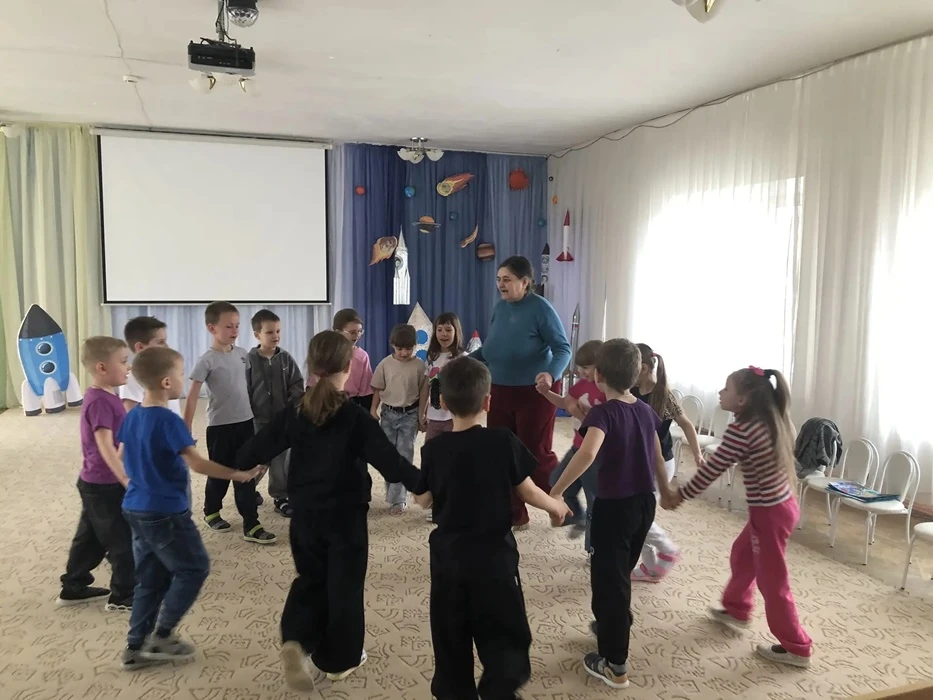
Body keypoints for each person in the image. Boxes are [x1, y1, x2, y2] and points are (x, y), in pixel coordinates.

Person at [236, 331, 424, 691]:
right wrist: (424, 487)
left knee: (311, 579)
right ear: (348, 366)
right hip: (345, 518)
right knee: (344, 587)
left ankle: (296, 639)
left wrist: (245, 464)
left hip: (305, 516)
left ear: (311, 366)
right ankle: (339, 660)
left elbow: (254, 449)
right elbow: (390, 461)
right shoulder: (355, 417)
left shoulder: (296, 411)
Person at [411, 357, 571, 700]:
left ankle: (454, 692)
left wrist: (423, 486)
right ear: (488, 402)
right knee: (505, 633)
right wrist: (556, 506)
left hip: (449, 562)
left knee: (449, 635)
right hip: (494, 562)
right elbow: (528, 491)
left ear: (442, 402)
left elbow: (422, 500)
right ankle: (499, 688)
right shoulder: (503, 440)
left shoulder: (434, 449)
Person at [119, 346, 265, 670]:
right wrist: (238, 474)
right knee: (194, 568)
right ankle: (162, 635)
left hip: (135, 508)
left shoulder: (132, 416)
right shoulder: (169, 421)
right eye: (181, 373)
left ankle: (134, 646)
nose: (184, 378)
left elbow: (121, 457)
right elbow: (197, 464)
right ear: (166, 382)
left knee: (150, 578)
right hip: (166, 512)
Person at [667, 366, 813, 669]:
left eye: (726, 389)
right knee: (743, 553)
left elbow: (712, 469)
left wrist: (680, 495)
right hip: (778, 507)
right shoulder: (771, 419)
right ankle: (737, 608)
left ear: (743, 399)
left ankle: (797, 646)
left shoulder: (743, 430)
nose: (720, 393)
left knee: (773, 581)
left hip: (770, 514)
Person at [550, 339, 673, 689]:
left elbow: (587, 455)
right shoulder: (645, 410)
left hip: (614, 508)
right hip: (643, 505)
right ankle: (612, 625)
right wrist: (665, 491)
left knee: (610, 582)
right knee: (619, 575)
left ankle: (615, 663)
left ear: (598, 375)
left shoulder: (603, 414)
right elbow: (657, 455)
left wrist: (556, 491)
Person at [472, 256, 571, 529]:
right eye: (498, 279)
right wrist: (465, 361)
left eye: (507, 279)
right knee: (501, 453)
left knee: (534, 453)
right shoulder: (500, 308)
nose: (500, 284)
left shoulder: (541, 308)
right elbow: (491, 349)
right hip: (499, 390)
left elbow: (563, 348)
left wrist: (550, 374)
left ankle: (560, 505)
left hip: (535, 392)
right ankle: (515, 514)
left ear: (525, 282)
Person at [184, 301, 275, 543]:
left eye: (237, 325)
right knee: (221, 472)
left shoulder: (243, 354)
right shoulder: (206, 360)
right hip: (220, 427)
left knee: (245, 472)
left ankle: (251, 523)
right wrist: (186, 428)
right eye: (228, 326)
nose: (234, 330)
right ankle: (211, 511)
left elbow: (247, 387)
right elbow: (192, 396)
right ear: (211, 328)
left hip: (246, 423)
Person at [57, 336, 135, 613]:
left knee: (89, 537)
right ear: (102, 367)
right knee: (122, 541)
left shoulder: (108, 395)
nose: (128, 366)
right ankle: (123, 596)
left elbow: (117, 440)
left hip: (95, 482)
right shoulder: (100, 401)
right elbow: (105, 447)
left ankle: (74, 586)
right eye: (123, 361)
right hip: (104, 484)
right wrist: (125, 480)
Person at [630, 343, 706, 583]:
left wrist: (697, 454)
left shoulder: (663, 395)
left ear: (643, 368)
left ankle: (667, 549)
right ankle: (650, 566)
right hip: (635, 461)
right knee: (634, 516)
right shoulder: (630, 390)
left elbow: (687, 424)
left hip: (659, 463)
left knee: (638, 516)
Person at [537, 339, 605, 554]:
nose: (582, 371)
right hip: (577, 447)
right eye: (580, 367)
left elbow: (603, 423)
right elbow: (565, 403)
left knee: (594, 500)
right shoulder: (581, 385)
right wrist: (546, 393)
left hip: (596, 454)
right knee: (556, 481)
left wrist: (583, 414)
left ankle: (593, 548)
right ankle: (577, 516)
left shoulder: (606, 391)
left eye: (587, 367)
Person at [247, 309, 305, 518]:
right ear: (257, 335)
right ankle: (248, 489)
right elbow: (244, 389)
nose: (275, 336)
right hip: (258, 421)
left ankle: (280, 497)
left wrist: (291, 408)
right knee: (259, 459)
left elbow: (297, 385)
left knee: (281, 461)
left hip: (282, 421)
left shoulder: (286, 359)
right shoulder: (248, 360)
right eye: (270, 332)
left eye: (278, 331)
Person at [370, 324, 426, 515]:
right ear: (392, 345)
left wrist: (421, 415)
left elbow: (423, 392)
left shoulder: (419, 365)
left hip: (409, 415)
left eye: (408, 349)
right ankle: (393, 494)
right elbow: (377, 389)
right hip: (388, 413)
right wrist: (373, 409)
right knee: (388, 455)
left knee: (404, 454)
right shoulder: (385, 364)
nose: (404, 353)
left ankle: (398, 499)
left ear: (415, 346)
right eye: (399, 348)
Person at [308, 308, 374, 411]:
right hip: (322, 402)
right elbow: (311, 385)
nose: (357, 336)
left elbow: (366, 392)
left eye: (360, 331)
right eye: (352, 332)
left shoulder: (362, 356)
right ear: (338, 332)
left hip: (351, 404)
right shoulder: (324, 353)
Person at [120, 316, 182, 417]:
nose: (167, 346)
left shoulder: (165, 371)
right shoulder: (131, 379)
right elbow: (132, 415)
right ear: (140, 347)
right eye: (160, 342)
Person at [419, 311, 464, 441]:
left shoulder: (462, 357)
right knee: (430, 449)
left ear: (456, 332)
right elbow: (426, 387)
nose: (444, 334)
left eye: (448, 330)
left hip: (454, 417)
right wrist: (421, 413)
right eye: (439, 330)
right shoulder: (431, 357)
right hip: (434, 417)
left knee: (452, 450)